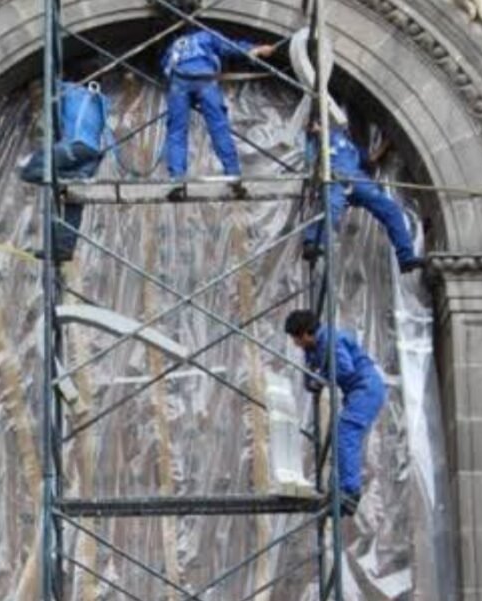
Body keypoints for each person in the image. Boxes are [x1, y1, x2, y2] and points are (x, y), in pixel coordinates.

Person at [284, 309, 385, 515]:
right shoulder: (315, 345)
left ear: (305, 334)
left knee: (346, 431)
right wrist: (313, 378)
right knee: (341, 435)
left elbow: (344, 369)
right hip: (357, 391)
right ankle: (339, 489)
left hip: (366, 388)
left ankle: (349, 493)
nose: (295, 344)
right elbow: (312, 372)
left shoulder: (331, 340)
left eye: (296, 339)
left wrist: (321, 377)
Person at [161, 28, 275, 201]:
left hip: (179, 82)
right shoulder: (205, 35)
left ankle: (177, 181)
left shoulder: (173, 46)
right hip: (205, 78)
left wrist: (187, 97)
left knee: (176, 132)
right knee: (219, 128)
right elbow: (228, 46)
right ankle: (233, 177)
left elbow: (165, 69)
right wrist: (256, 49)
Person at [304, 120, 423, 273]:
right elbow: (310, 160)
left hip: (357, 180)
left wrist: (387, 142)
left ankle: (406, 257)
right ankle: (312, 242)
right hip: (336, 177)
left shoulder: (350, 146)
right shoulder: (319, 140)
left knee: (390, 209)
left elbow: (371, 159)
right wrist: (315, 131)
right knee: (331, 206)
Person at [19, 80, 110, 262]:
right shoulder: (101, 99)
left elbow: (50, 123)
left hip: (77, 145)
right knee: (74, 198)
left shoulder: (66, 90)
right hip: (94, 153)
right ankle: (63, 249)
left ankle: (69, 177)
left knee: (29, 170)